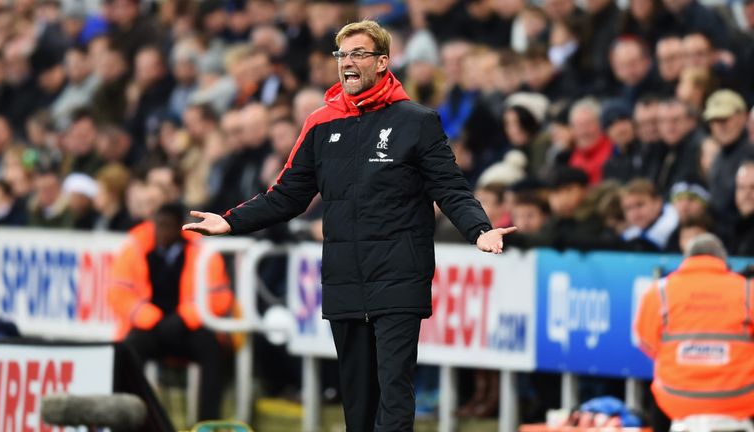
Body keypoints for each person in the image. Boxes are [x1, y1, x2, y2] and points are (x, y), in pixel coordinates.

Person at [183, 20, 516, 432]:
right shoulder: (320, 123)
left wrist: (479, 229)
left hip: (399, 275)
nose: (347, 63)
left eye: (358, 54)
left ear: (382, 62)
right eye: (341, 55)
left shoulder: (417, 121)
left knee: (394, 388)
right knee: (357, 399)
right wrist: (231, 221)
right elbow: (287, 195)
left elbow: (451, 189)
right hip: (345, 277)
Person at [108, 202, 234, 421]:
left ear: (179, 229)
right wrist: (151, 318)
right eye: (158, 224)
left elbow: (219, 297)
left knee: (213, 351)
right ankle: (127, 419)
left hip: (187, 328)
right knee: (127, 351)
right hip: (151, 326)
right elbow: (118, 293)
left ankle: (207, 423)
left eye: (167, 226)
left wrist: (184, 319)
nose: (160, 231)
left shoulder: (203, 250)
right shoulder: (136, 246)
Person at [634, 234, 754, 428]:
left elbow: (646, 343)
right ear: (723, 260)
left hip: (676, 399)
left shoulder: (659, 292)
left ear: (686, 259)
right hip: (740, 398)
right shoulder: (748, 290)